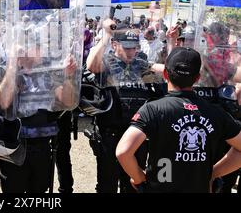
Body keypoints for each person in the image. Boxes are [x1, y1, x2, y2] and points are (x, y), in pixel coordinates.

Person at [116, 47, 241, 192]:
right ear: (197, 78)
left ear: (165, 74)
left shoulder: (153, 109)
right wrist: (213, 173)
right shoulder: (216, 113)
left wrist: (138, 178)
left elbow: (123, 152)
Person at [86, 18, 165, 193]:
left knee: (132, 185)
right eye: (127, 47)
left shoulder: (142, 64)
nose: (132, 52)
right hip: (110, 135)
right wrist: (106, 35)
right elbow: (91, 65)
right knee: (107, 185)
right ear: (114, 45)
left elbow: (163, 70)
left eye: (134, 48)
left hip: (136, 136)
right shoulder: (106, 63)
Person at [0, 40, 78, 193]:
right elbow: (4, 102)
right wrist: (13, 66)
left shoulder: (48, 71)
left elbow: (68, 101)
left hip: (42, 145)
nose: (39, 51)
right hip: (14, 146)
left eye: (39, 46)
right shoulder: (6, 68)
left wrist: (68, 77)